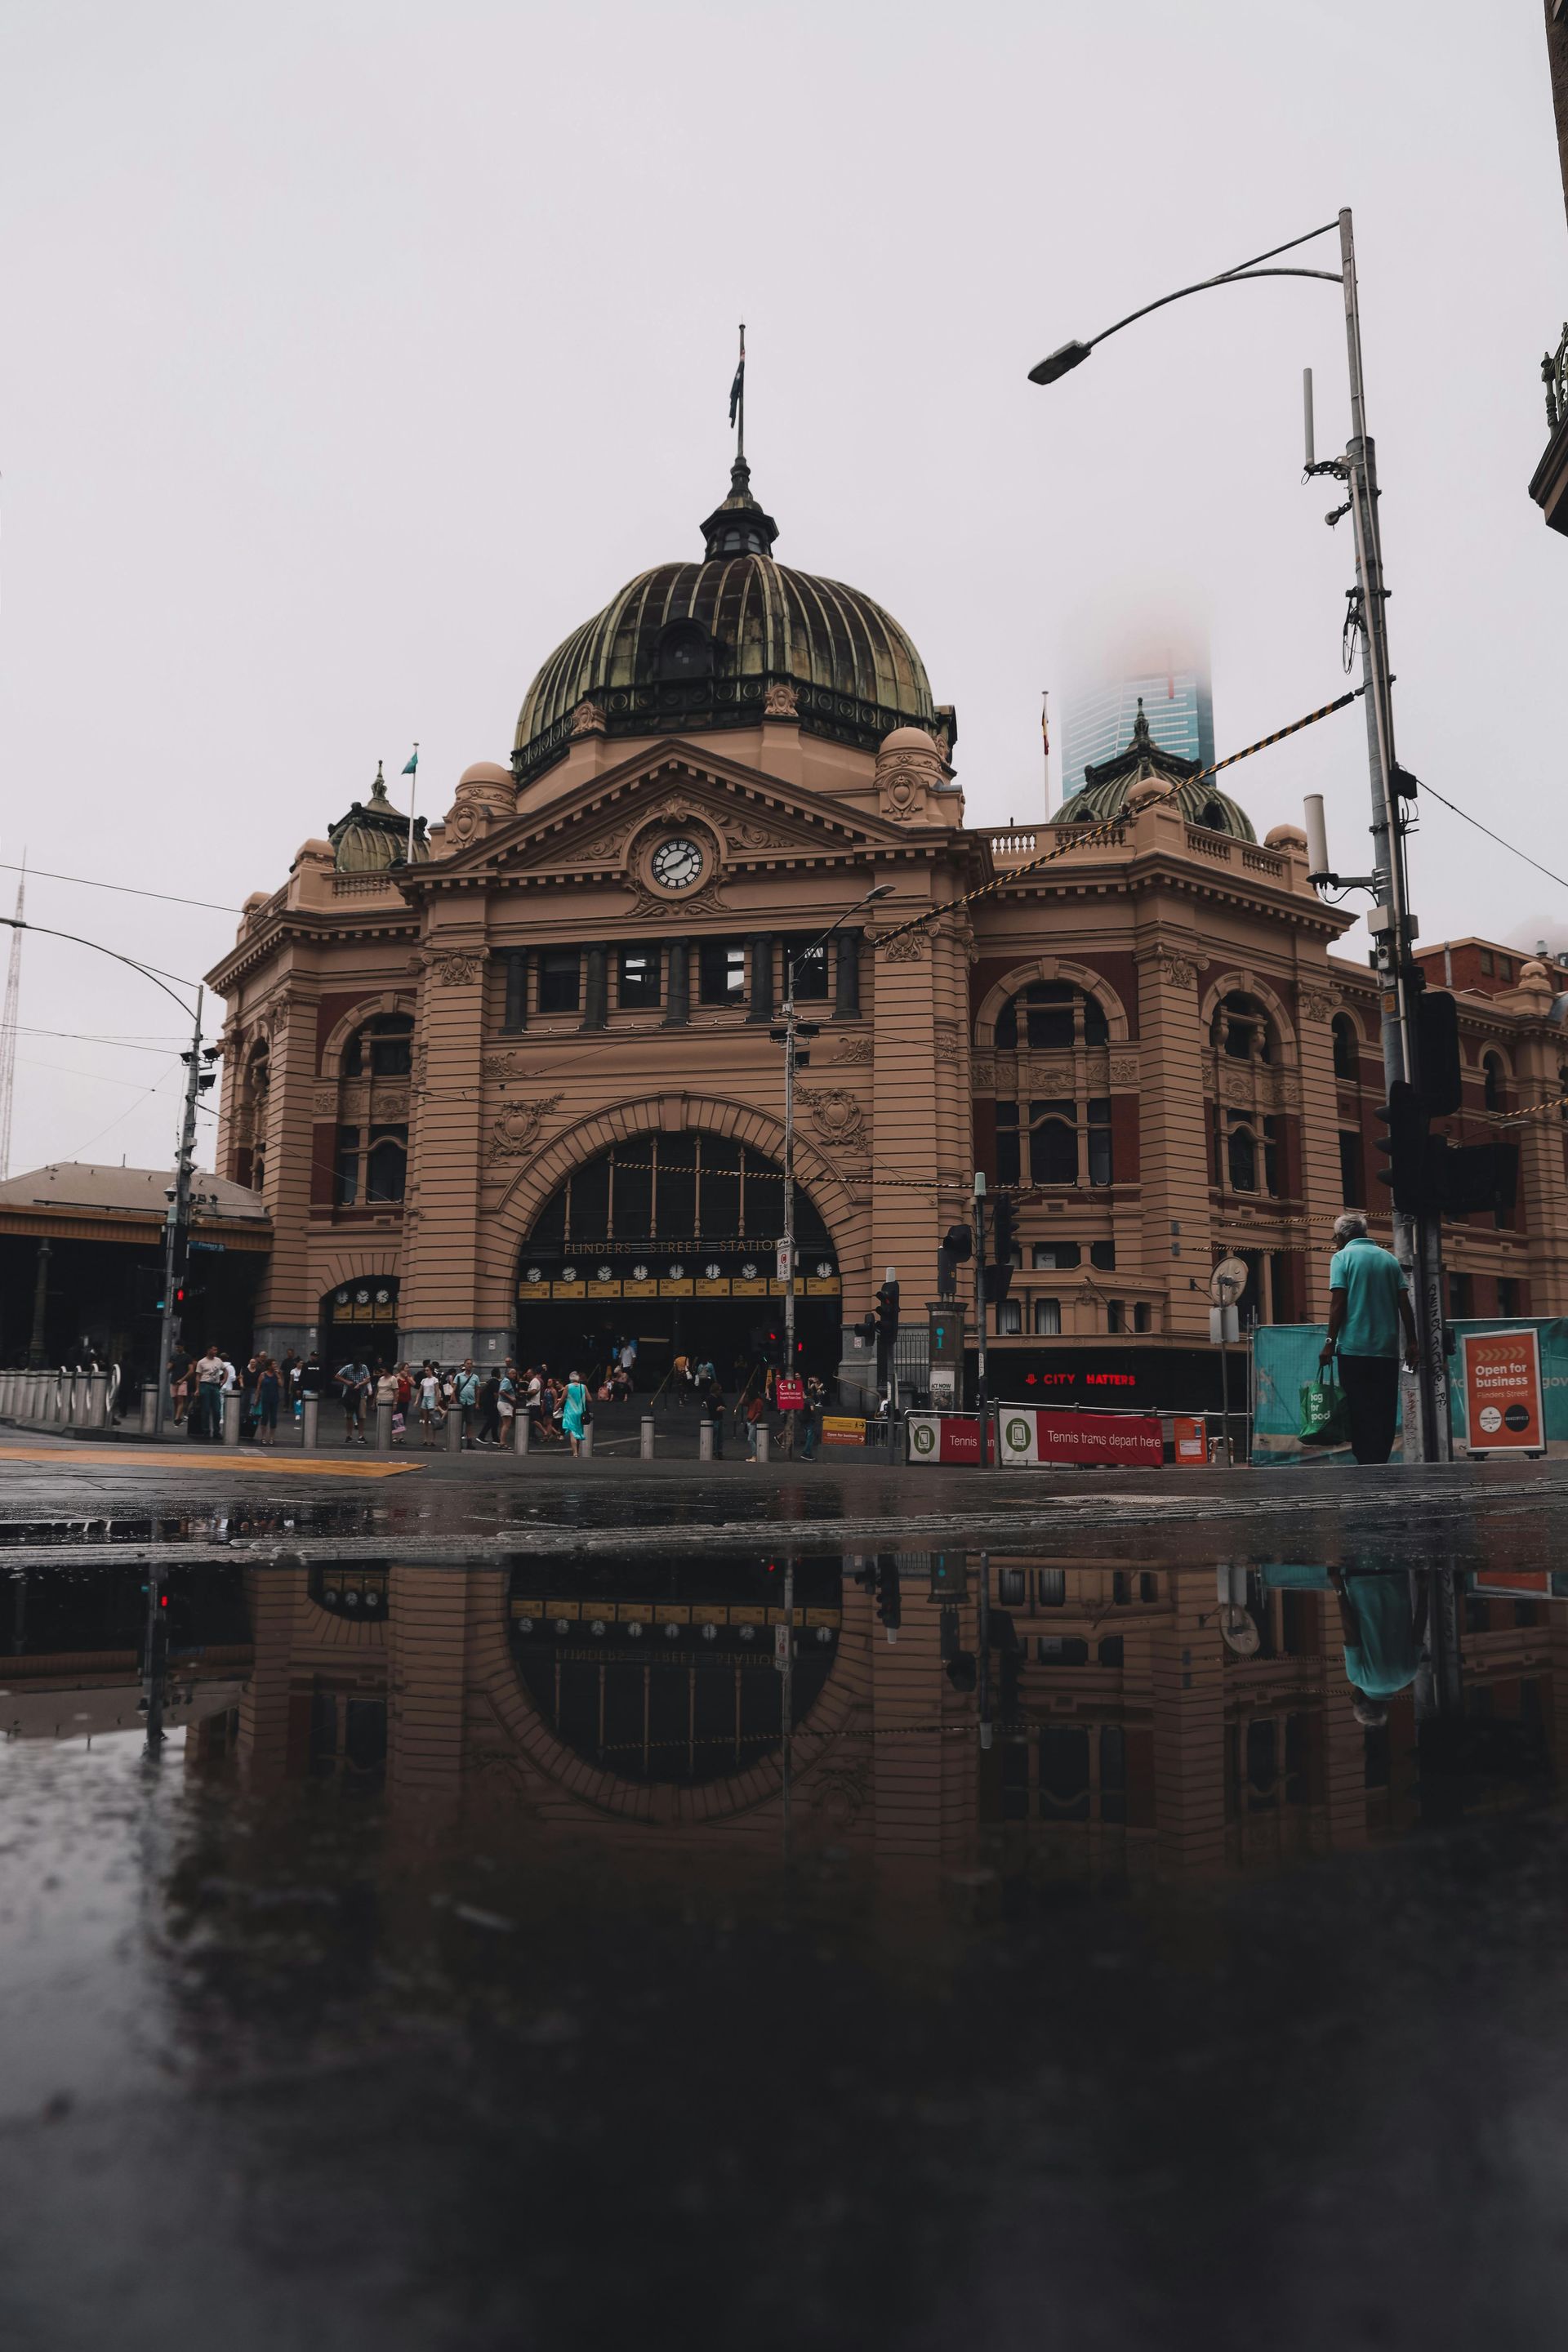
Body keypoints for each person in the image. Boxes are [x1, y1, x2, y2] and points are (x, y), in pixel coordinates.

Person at [1317, 1212, 1418, 1466]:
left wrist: (1330, 1342)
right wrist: (1412, 1342)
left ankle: (1365, 1462)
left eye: (1335, 1237)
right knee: (1383, 1408)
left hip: (1354, 1349)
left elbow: (1338, 1303)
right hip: (1387, 1350)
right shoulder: (1389, 1260)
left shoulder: (1341, 1258)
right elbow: (1404, 1304)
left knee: (1358, 1407)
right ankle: (1380, 1460)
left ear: (1341, 1236)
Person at [336, 1354, 372, 1444]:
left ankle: (361, 1436)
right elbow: (337, 1376)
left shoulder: (364, 1367)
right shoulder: (348, 1368)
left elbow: (368, 1379)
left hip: (361, 1394)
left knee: (361, 1416)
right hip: (349, 1394)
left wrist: (360, 1384)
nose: (359, 1366)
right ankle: (349, 1436)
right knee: (349, 1416)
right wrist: (347, 1382)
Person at [193, 1344, 225, 1439]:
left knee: (217, 1410)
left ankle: (216, 1431)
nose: (216, 1352)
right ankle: (206, 1431)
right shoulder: (201, 1362)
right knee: (205, 1410)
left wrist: (224, 1380)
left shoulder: (218, 1360)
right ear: (209, 1350)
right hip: (205, 1384)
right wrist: (198, 1389)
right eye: (214, 1350)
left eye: (216, 1350)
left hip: (215, 1386)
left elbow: (225, 1370)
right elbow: (198, 1376)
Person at [255, 1356, 281, 1447]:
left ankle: (272, 1437)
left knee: (273, 1418)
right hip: (265, 1398)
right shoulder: (263, 1375)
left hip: (275, 1399)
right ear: (269, 1365)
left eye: (275, 1364)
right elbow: (258, 1387)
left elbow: (281, 1385)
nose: (275, 1365)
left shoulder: (277, 1374)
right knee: (264, 1417)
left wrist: (278, 1375)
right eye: (273, 1364)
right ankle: (263, 1437)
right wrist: (256, 1399)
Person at [562, 1369, 589, 1456]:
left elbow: (562, 1400)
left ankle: (575, 1453)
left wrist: (556, 1407)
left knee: (573, 1432)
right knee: (578, 1431)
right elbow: (590, 1399)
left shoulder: (568, 1387)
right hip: (580, 1412)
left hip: (570, 1412)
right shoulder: (583, 1387)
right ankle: (578, 1451)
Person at [456, 1358, 480, 1446]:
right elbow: (454, 1389)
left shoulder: (475, 1377)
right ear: (464, 1365)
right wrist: (455, 1402)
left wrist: (477, 1403)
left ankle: (469, 1441)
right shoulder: (459, 1376)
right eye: (468, 1364)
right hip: (461, 1402)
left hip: (470, 1402)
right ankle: (459, 1442)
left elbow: (477, 1390)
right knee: (460, 1422)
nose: (469, 1365)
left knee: (470, 1422)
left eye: (471, 1364)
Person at [417, 1361, 441, 1446]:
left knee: (433, 1420)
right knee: (425, 1420)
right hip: (425, 1398)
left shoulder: (435, 1379)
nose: (426, 1372)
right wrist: (417, 1401)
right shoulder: (424, 1380)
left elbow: (437, 1392)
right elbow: (420, 1391)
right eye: (425, 1370)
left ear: (431, 1371)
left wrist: (436, 1403)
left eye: (427, 1370)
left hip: (431, 1398)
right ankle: (425, 1439)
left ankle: (433, 1440)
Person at [168, 1347, 191, 1427]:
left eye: (178, 1347)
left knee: (180, 1399)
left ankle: (177, 1419)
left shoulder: (187, 1357)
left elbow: (191, 1370)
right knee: (175, 1400)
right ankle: (178, 1417)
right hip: (173, 1381)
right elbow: (168, 1368)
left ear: (182, 1347)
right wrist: (172, 1363)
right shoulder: (173, 1357)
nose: (177, 1348)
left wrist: (182, 1379)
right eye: (176, 1347)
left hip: (183, 1381)